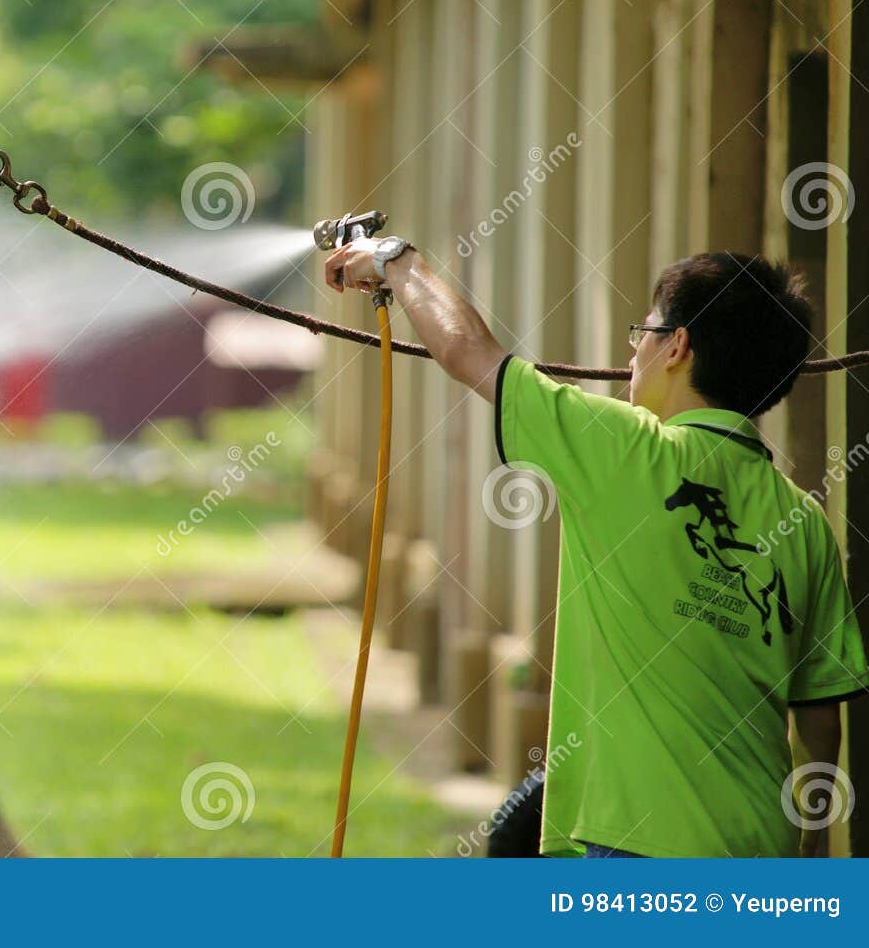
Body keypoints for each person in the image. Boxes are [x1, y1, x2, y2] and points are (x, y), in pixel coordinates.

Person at [323, 241, 869, 857]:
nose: (631, 350)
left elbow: (465, 351)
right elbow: (821, 722)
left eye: (644, 331)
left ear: (677, 346)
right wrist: (811, 858)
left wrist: (395, 261)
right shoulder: (804, 521)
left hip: (632, 844)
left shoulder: (623, 448)